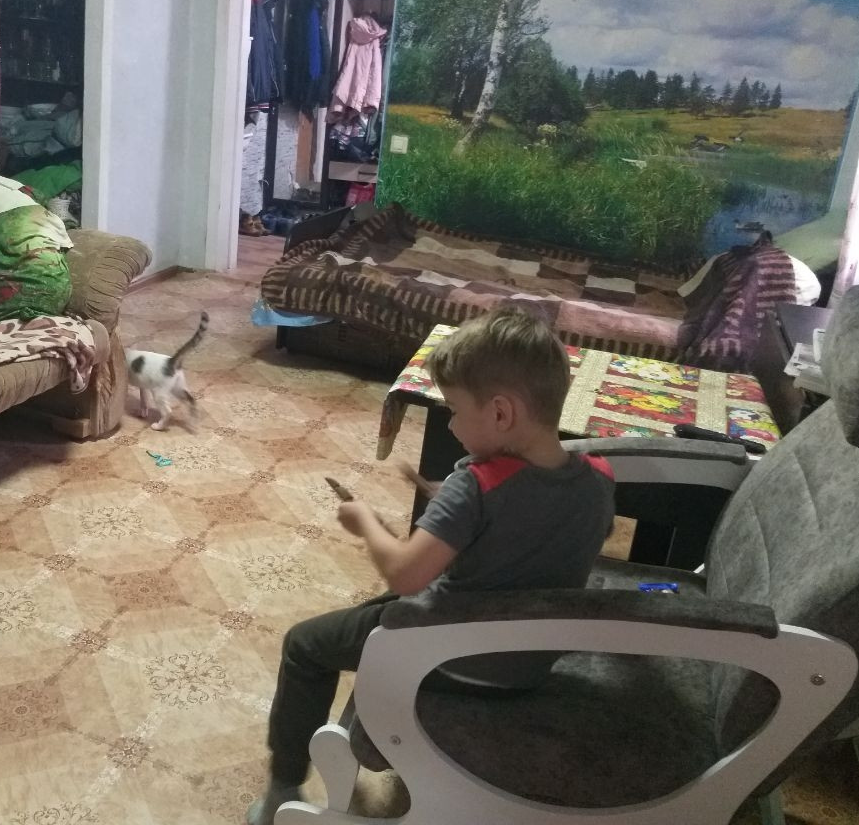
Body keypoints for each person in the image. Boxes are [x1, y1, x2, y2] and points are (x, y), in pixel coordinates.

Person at [247, 305, 616, 825]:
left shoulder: (476, 485)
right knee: (370, 616)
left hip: (448, 655)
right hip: (527, 666)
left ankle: (282, 788)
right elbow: (556, 529)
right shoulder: (599, 478)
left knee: (305, 644)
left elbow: (405, 575)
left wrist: (366, 522)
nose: (451, 423)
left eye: (455, 410)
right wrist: (461, 515)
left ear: (501, 413)